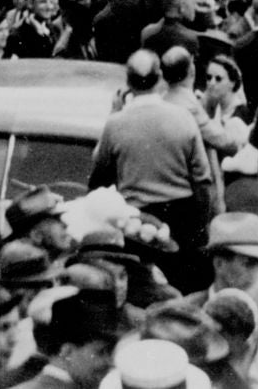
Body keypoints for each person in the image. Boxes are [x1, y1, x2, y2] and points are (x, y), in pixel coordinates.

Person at [90, 50, 215, 258]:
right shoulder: (183, 117)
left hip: (135, 223)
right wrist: (201, 228)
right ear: (160, 80)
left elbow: (99, 173)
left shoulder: (115, 124)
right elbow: (202, 180)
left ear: (128, 83)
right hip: (182, 217)